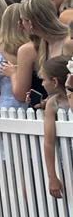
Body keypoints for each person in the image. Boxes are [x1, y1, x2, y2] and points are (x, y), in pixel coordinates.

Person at [0, 0, 73, 104]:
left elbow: (20, 93)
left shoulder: (68, 42)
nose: (20, 25)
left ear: (30, 23)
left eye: (22, 20)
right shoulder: (44, 44)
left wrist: (13, 74)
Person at [40, 57, 70, 200]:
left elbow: (49, 142)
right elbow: (49, 142)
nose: (42, 83)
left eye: (44, 79)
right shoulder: (53, 102)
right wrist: (52, 177)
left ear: (55, 82)